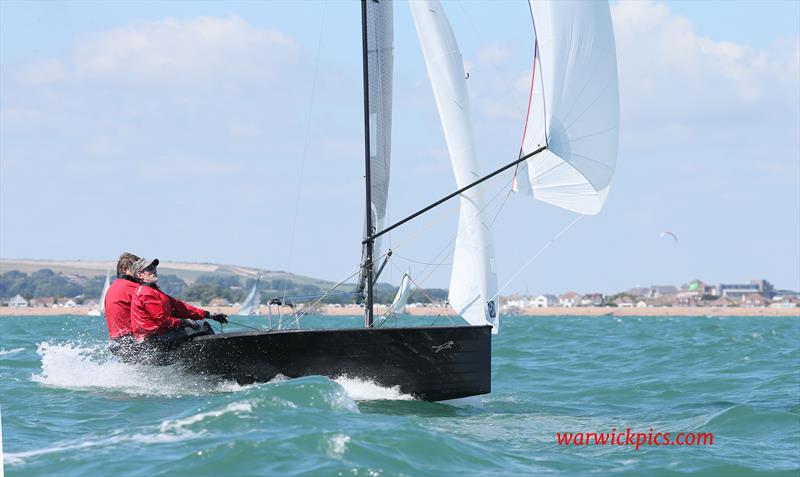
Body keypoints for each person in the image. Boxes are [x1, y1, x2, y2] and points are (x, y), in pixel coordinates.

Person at [129, 258, 228, 352]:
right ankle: (219, 354)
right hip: (153, 341)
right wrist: (184, 321)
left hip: (160, 336)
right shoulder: (145, 292)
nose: (154, 270)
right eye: (150, 269)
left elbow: (182, 307)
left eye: (154, 268)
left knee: (198, 325)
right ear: (140, 275)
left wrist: (210, 315)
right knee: (203, 326)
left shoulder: (155, 291)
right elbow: (162, 320)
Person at [104, 252, 141, 355]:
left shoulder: (112, 288)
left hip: (119, 343)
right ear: (125, 269)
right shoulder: (132, 287)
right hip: (133, 341)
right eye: (137, 269)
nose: (140, 272)